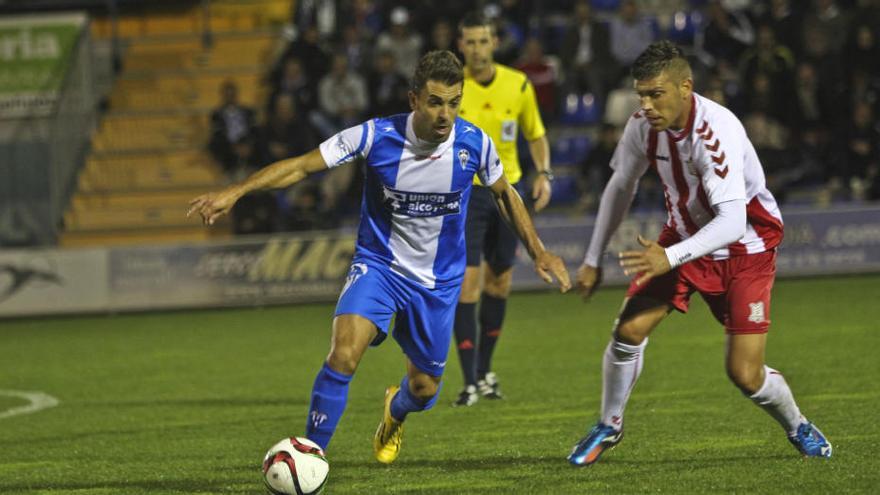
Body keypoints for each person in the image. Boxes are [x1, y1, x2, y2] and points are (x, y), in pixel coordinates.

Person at [188, 50, 570, 464]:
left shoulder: (474, 143)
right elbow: (301, 166)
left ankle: (395, 411)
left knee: (424, 390)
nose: (446, 114)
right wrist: (236, 191)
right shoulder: (374, 136)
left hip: (437, 282)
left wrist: (539, 251)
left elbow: (504, 193)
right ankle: (312, 456)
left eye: (454, 103)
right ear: (414, 100)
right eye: (435, 102)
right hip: (379, 267)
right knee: (344, 353)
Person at [567, 41, 832, 467]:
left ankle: (798, 424)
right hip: (684, 239)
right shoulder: (641, 127)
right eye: (641, 95)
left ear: (685, 87)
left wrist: (668, 258)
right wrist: (593, 258)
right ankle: (609, 425)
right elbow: (620, 186)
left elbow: (731, 221)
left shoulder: (715, 132)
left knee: (744, 374)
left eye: (656, 94)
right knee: (628, 330)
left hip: (745, 248)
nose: (647, 105)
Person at [451, 12, 553, 407]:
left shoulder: (518, 84)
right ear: (461, 45)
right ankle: (468, 380)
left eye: (483, 41)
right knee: (468, 284)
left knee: (500, 284)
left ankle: (484, 372)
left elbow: (536, 134)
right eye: (470, 42)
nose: (477, 49)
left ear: (494, 42)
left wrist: (543, 173)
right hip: (466, 194)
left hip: (506, 193)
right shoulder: (452, 87)